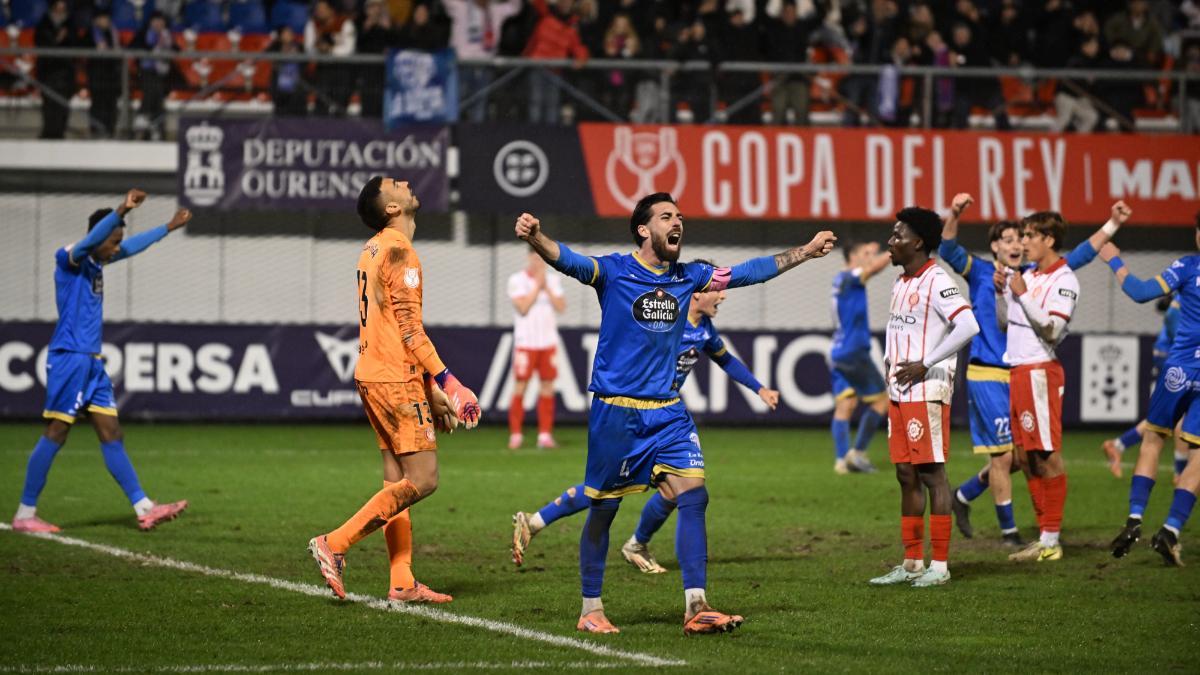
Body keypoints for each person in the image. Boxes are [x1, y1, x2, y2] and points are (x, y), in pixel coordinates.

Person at [514, 194, 834, 634]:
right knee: (603, 508)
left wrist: (805, 251)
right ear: (644, 230)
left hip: (667, 411)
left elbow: (749, 273)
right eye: (666, 216)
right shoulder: (613, 271)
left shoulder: (692, 276)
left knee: (693, 493)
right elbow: (568, 260)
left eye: (680, 216)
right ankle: (591, 609)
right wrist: (536, 237)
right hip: (617, 412)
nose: (677, 221)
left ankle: (696, 607)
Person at [510, 275, 781, 572]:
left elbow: (726, 359)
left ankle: (636, 544)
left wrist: (760, 389)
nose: (723, 296)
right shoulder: (666, 323)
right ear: (696, 295)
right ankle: (535, 522)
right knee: (606, 486)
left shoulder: (703, 329)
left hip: (663, 418)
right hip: (632, 413)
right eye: (717, 291)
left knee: (675, 487)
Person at [307, 177, 482, 603]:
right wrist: (449, 383)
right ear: (391, 208)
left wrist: (428, 389)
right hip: (393, 377)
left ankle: (402, 581)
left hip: (373, 371)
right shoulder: (401, 252)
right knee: (424, 480)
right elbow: (410, 331)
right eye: (393, 183)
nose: (403, 182)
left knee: (395, 483)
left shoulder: (373, 248)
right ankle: (335, 543)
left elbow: (390, 327)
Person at [943, 200, 1127, 545]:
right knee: (1009, 457)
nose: (1018, 243)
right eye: (1011, 238)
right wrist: (954, 215)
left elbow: (1081, 255)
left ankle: (971, 498)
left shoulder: (1032, 275)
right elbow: (947, 247)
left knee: (1022, 456)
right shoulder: (983, 271)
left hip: (1025, 371)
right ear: (995, 245)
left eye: (1023, 237)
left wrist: (1112, 225)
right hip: (991, 373)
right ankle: (1014, 534)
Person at [12, 189, 190, 534]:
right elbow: (93, 240)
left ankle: (144, 507)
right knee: (57, 431)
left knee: (112, 432)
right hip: (70, 360)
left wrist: (167, 227)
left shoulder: (96, 261)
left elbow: (133, 245)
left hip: (91, 364)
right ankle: (24, 514)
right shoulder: (70, 259)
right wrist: (122, 209)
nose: (116, 248)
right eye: (112, 241)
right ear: (97, 237)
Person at [869, 207, 979, 588]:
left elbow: (968, 325)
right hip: (900, 392)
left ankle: (941, 565)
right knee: (905, 475)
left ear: (917, 242)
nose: (890, 241)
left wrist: (927, 362)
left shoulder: (938, 280)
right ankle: (912, 562)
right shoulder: (902, 282)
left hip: (926, 390)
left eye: (897, 235)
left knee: (933, 474)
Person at [1101, 217, 1200, 566]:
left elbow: (1141, 292)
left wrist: (1114, 258)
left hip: (1178, 369)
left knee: (1153, 440)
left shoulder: (1188, 266)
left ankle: (1134, 521)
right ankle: (1171, 530)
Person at [995, 212, 1080, 563]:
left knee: (1047, 456)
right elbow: (1003, 324)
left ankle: (1051, 539)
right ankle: (1044, 536)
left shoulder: (1064, 280)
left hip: (1040, 373)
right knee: (1025, 458)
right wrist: (1004, 292)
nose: (1023, 242)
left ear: (1048, 239)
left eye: (1030, 235)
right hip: (1017, 370)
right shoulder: (1027, 276)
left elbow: (1052, 331)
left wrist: (1023, 295)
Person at [1101, 295, 1185, 481]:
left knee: (1167, 417)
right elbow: (1169, 312)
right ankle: (1180, 471)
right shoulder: (1192, 281)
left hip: (1170, 356)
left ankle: (1119, 444)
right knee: (1180, 417)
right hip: (1174, 359)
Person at [828, 241, 892, 475]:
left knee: (846, 404)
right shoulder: (851, 276)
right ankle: (858, 453)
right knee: (881, 401)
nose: (869, 258)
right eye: (865, 254)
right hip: (854, 350)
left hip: (837, 352)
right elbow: (873, 269)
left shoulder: (839, 279)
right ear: (852, 255)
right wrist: (896, 249)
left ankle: (841, 461)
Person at [507, 249, 566, 450]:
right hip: (526, 343)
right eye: (534, 258)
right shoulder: (517, 280)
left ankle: (545, 435)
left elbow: (560, 306)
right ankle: (516, 434)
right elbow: (522, 308)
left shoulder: (553, 280)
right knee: (520, 386)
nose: (538, 262)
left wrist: (546, 287)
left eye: (541, 258)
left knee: (547, 387)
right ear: (528, 258)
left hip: (547, 342)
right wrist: (537, 286)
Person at [35, 0, 78, 139]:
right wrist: (57, 39)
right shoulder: (44, 24)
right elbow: (41, 43)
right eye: (58, 9)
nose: (60, 12)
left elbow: (75, 44)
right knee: (49, 104)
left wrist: (65, 38)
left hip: (65, 72)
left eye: (63, 9)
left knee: (63, 105)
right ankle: (48, 133)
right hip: (48, 71)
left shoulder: (70, 24)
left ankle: (60, 133)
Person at [84, 11, 122, 138]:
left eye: (107, 18)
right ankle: (96, 130)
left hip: (111, 76)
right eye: (102, 18)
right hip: (97, 75)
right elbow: (81, 46)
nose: (105, 21)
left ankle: (110, 131)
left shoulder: (113, 33)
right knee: (98, 104)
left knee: (111, 104)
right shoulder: (90, 33)